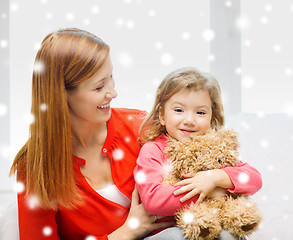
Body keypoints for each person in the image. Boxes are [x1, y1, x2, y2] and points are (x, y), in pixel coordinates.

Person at [9, 28, 175, 240]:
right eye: (98, 87)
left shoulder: (142, 127)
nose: (113, 93)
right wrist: (125, 233)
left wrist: (219, 178)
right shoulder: (35, 166)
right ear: (62, 95)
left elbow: (208, 161)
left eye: (111, 77)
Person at [134, 67, 263, 239]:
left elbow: (254, 179)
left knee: (229, 235)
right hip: (167, 232)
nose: (189, 120)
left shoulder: (216, 148)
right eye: (179, 110)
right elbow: (154, 200)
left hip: (211, 230)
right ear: (162, 115)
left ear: (211, 117)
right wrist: (210, 193)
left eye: (200, 112)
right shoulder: (153, 150)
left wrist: (215, 177)